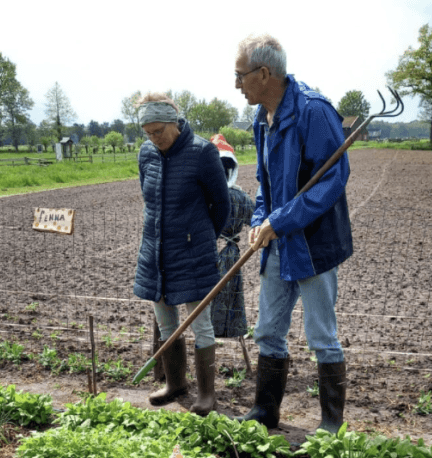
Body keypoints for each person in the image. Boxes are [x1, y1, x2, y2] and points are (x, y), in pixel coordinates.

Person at [234, 34, 352, 434]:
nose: (236, 84)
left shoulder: (313, 112)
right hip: (277, 240)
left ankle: (331, 425)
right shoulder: (261, 119)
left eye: (240, 76)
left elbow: (332, 180)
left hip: (313, 243)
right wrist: (259, 220)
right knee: (268, 330)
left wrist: (279, 222)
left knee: (321, 334)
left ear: (264, 73)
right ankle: (265, 412)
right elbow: (266, 184)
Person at [133, 93, 230, 416]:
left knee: (200, 323)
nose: (154, 138)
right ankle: (175, 384)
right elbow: (149, 199)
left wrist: (199, 240)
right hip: (156, 252)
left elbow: (222, 205)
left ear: (174, 123)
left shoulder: (202, 152)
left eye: (158, 130)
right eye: (148, 132)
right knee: (165, 322)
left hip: (192, 254)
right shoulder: (146, 154)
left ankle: (207, 394)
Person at [209, 134, 255, 338]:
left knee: (211, 294)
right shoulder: (241, 197)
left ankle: (211, 333)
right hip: (233, 256)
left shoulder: (205, 199)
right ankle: (232, 330)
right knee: (233, 293)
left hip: (211, 253)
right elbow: (256, 220)